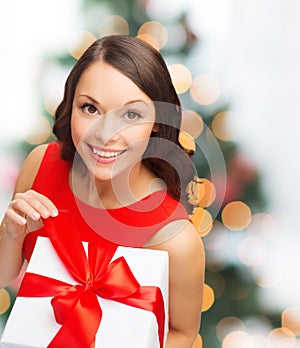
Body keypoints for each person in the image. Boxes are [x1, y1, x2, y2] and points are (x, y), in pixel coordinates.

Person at [0, 35, 205, 347]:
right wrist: (11, 233)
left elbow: (182, 333)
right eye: (90, 108)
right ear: (71, 106)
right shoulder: (41, 164)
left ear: (157, 123)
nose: (106, 134)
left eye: (131, 115)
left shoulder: (176, 239)